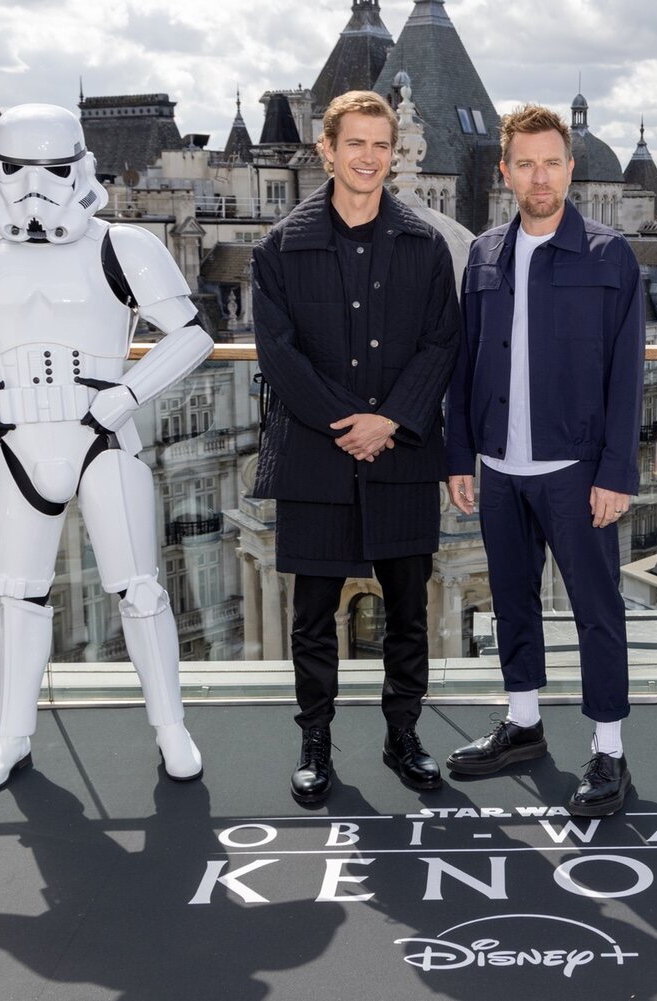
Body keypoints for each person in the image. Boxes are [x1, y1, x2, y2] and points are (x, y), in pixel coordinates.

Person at [0, 104, 213, 795]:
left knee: (142, 588)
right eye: (19, 169)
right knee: (19, 594)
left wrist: (124, 397)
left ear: (81, 167)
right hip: (15, 441)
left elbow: (191, 334)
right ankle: (10, 735)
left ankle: (171, 726)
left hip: (100, 436)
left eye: (54, 169)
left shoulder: (123, 246)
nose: (36, 187)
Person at [251, 90, 461, 806]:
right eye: (357, 144)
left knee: (408, 613)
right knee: (312, 616)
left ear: (393, 152)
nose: (370, 158)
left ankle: (403, 735)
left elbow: (443, 343)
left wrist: (390, 422)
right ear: (327, 150)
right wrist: (353, 421)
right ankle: (315, 741)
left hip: (400, 453)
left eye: (382, 145)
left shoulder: (428, 245)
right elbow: (278, 355)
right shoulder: (278, 245)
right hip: (316, 453)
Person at [444, 105, 645, 817]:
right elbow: (465, 360)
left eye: (551, 162)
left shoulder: (608, 254)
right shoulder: (483, 253)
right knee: (513, 601)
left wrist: (617, 471)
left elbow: (627, 373)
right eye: (524, 163)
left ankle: (610, 752)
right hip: (498, 466)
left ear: (569, 168)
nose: (539, 175)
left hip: (576, 470)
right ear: (505, 172)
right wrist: (459, 453)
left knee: (597, 611)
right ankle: (523, 723)